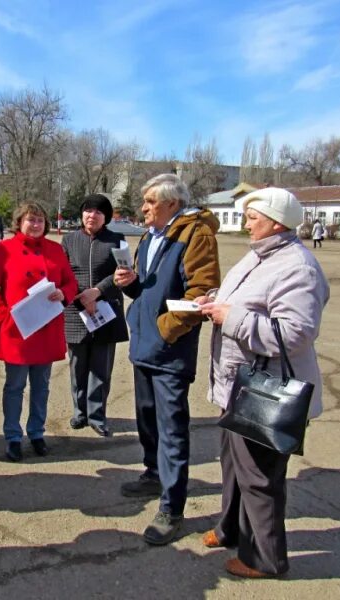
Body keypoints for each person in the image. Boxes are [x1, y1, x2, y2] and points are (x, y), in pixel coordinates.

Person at [197, 187, 329, 578]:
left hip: (266, 393)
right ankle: (230, 529)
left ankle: (266, 559)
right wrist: (215, 299)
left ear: (276, 221)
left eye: (253, 217)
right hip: (238, 386)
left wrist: (230, 317)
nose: (247, 222)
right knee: (234, 467)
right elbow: (247, 300)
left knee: (259, 477)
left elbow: (295, 334)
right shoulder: (261, 254)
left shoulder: (297, 266)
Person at [113, 173, 221, 546]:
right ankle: (151, 473)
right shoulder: (149, 236)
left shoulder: (196, 234)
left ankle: (172, 508)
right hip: (144, 345)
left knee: (172, 427)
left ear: (172, 203)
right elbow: (148, 288)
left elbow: (202, 294)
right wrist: (131, 284)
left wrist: (164, 329)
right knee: (146, 417)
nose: (143, 208)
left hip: (169, 348)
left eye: (149, 201)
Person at [0, 202, 77, 462]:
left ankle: (36, 432)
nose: (36, 225)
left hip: (46, 328)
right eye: (30, 220)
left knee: (42, 386)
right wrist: (2, 318)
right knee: (15, 385)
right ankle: (12, 436)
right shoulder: (3, 250)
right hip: (17, 331)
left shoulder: (55, 250)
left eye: (40, 221)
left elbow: (70, 282)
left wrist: (63, 293)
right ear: (19, 221)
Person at [61, 194, 128, 437]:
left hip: (106, 310)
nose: (92, 215)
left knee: (101, 367)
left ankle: (97, 415)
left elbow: (123, 272)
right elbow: (64, 273)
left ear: (106, 217)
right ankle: (80, 412)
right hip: (76, 310)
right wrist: (83, 297)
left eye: (98, 212)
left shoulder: (116, 240)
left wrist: (97, 292)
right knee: (78, 366)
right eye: (88, 210)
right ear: (82, 214)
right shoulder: (69, 240)